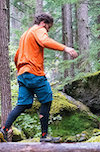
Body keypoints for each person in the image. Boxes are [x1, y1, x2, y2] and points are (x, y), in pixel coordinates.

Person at [0, 13, 78, 142]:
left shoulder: (25, 35)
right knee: (46, 100)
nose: (47, 31)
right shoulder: (39, 30)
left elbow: (17, 56)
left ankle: (3, 129)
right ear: (43, 23)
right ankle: (44, 136)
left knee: (23, 104)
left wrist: (21, 69)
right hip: (34, 73)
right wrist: (65, 48)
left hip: (23, 74)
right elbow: (44, 40)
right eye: (48, 28)